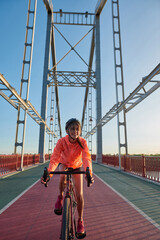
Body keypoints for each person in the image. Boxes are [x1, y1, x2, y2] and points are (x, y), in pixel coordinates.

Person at [41, 118, 94, 239]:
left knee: (79, 195)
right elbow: (55, 158)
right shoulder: (61, 142)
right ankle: (60, 197)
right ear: (67, 130)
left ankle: (80, 220)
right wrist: (48, 174)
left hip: (76, 167)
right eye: (72, 129)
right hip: (64, 164)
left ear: (79, 131)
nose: (75, 131)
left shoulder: (83, 142)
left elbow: (86, 158)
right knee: (62, 178)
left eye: (77, 129)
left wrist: (88, 174)